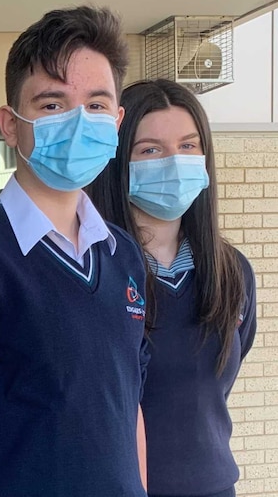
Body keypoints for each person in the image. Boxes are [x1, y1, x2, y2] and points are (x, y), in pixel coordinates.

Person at [0, 6, 149, 497]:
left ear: (117, 122)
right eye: (52, 105)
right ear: (10, 125)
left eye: (96, 105)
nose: (79, 122)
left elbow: (130, 403)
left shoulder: (122, 253)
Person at [87, 79, 256, 497]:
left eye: (187, 146)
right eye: (150, 150)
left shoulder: (231, 271)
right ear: (118, 160)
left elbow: (213, 385)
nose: (173, 162)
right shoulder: (90, 269)